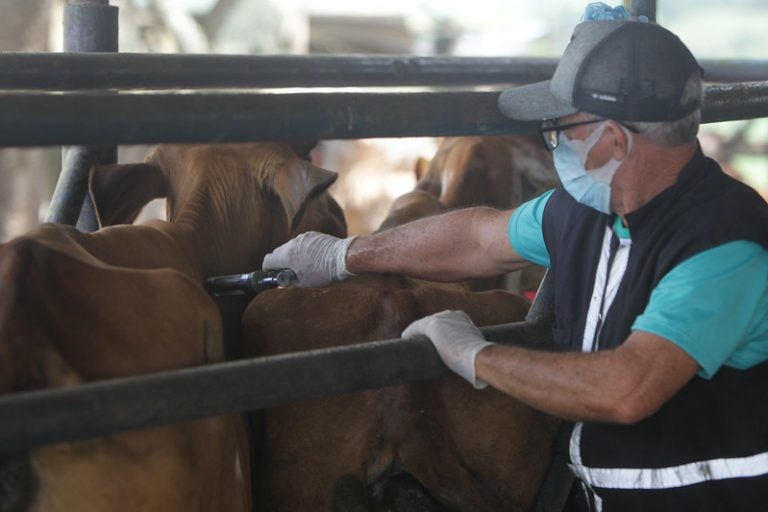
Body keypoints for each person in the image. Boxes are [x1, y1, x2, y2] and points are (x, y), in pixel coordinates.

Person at [263, 11, 768, 512]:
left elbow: (625, 390)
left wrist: (477, 356)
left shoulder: (722, 244)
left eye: (562, 130)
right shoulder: (584, 210)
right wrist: (343, 255)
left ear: (614, 140)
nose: (555, 145)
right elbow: (477, 238)